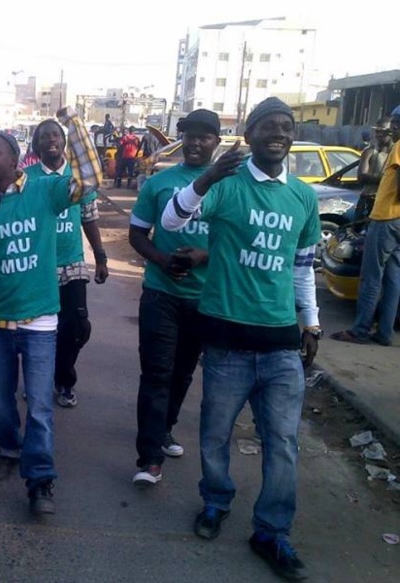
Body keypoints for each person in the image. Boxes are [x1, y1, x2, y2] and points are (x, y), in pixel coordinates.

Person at [161, 97, 321, 581]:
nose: (279, 132)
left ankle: (272, 531)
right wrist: (207, 177)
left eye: (286, 126)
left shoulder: (303, 197)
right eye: (268, 126)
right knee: (214, 435)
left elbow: (302, 267)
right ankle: (215, 502)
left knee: (283, 444)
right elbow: (172, 221)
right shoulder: (227, 186)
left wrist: (310, 321)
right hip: (227, 343)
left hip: (280, 346)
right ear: (249, 135)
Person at [0, 108, 101, 515]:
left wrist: (75, 125)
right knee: (3, 401)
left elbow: (89, 180)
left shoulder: (45, 190)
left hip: (40, 320)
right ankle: (8, 449)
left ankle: (40, 479)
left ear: (13, 157)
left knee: (39, 406)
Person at [129, 110, 220, 485]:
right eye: (190, 136)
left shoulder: (228, 186)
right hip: (161, 293)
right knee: (156, 373)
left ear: (217, 141)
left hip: (207, 298)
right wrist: (163, 260)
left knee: (183, 373)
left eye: (204, 136)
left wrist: (205, 256)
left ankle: (164, 428)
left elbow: (237, 240)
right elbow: (138, 235)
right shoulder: (159, 183)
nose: (196, 143)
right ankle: (149, 458)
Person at [24, 118, 109, 408]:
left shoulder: (79, 178)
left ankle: (64, 380)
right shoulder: (27, 178)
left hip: (72, 265)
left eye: (56, 135)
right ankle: (38, 379)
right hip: (38, 267)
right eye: (44, 136)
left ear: (63, 141)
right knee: (37, 329)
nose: (51, 140)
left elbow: (89, 216)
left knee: (75, 328)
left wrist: (100, 257)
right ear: (36, 144)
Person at [331, 106, 400, 347]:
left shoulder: (399, 148)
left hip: (386, 219)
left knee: (371, 278)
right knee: (393, 279)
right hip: (395, 220)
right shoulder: (379, 150)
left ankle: (360, 330)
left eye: (393, 126)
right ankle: (384, 333)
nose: (391, 131)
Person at [353, 117, 393, 220]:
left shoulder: (395, 153)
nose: (379, 134)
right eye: (377, 131)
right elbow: (362, 176)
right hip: (369, 200)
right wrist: (387, 179)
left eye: (383, 132)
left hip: (388, 203)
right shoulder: (370, 152)